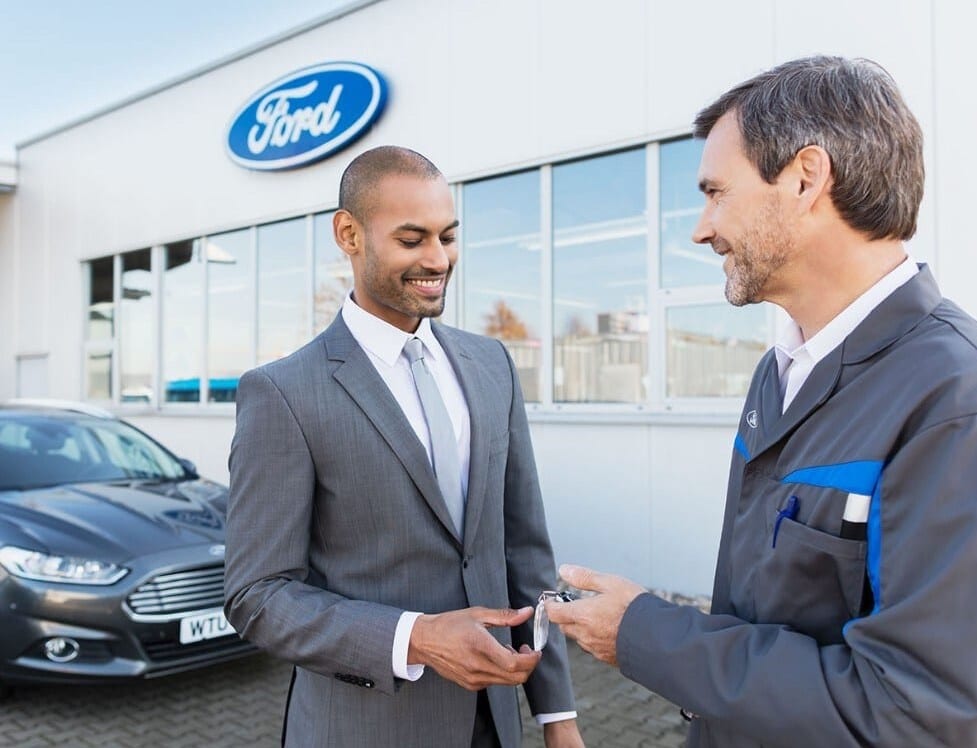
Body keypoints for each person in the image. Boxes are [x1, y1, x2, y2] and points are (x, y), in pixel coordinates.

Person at [545, 56, 977, 746]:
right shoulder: (780, 369)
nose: (700, 229)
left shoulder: (952, 398)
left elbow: (913, 713)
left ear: (805, 178)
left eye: (716, 193)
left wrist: (645, 634)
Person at [223, 145, 584, 748]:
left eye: (447, 236)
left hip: (494, 727)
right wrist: (415, 637)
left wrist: (557, 715)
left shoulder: (491, 363)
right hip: (364, 730)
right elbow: (256, 595)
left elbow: (522, 548)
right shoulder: (282, 393)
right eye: (412, 239)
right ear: (349, 235)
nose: (437, 259)